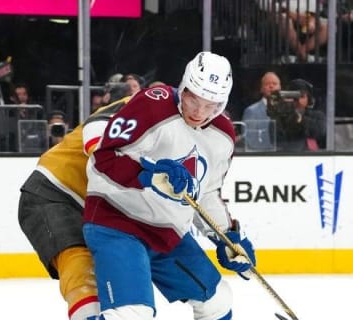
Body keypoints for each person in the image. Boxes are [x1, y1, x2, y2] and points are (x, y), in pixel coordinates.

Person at [83, 52, 256, 319]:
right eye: (193, 99)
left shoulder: (223, 136)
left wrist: (227, 237)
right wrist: (147, 175)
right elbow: (104, 158)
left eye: (211, 105)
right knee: (132, 314)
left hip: (168, 235)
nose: (199, 112)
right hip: (117, 223)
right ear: (183, 86)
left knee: (218, 302)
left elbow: (206, 192)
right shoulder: (152, 105)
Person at [18, 95, 132, 320]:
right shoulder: (141, 104)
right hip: (52, 191)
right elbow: (98, 132)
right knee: (80, 267)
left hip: (92, 206)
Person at [267, 78, 326, 151]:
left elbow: (320, 132)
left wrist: (300, 119)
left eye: (302, 96)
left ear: (309, 99)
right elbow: (276, 141)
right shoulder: (278, 119)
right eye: (294, 97)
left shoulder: (317, 116)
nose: (298, 100)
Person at [242, 71, 281, 151]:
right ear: (261, 89)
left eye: (274, 84)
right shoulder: (251, 111)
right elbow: (250, 140)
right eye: (267, 84)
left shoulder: (287, 110)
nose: (271, 86)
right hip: (261, 156)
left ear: (280, 88)